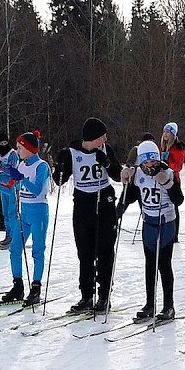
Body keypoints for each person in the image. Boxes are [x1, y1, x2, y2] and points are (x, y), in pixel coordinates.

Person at [54, 117, 123, 314]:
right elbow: (59, 180)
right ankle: (86, 295)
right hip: (83, 204)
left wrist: (107, 163)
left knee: (105, 251)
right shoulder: (72, 152)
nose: (105, 140)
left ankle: (104, 296)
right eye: (102, 137)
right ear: (93, 138)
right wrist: (60, 166)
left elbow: (117, 175)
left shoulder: (105, 150)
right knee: (85, 252)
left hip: (104, 203)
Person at [118, 140, 184, 321]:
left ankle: (169, 306)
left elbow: (179, 200)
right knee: (149, 265)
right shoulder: (138, 174)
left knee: (164, 264)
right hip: (149, 224)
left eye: (153, 162)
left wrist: (169, 184)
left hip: (166, 224)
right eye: (146, 162)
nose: (150, 166)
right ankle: (150, 304)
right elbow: (129, 197)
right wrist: (124, 188)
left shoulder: (167, 172)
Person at [0, 131, 51, 306]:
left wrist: (22, 178)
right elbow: (10, 189)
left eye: (20, 147)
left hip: (38, 212)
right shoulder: (21, 165)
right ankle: (18, 285)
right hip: (25, 213)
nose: (18, 150)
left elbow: (37, 189)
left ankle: (36, 288)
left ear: (29, 148)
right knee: (14, 249)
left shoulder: (41, 166)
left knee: (37, 250)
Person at [160, 122, 185, 241]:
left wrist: (167, 163)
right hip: (161, 178)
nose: (165, 134)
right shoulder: (162, 145)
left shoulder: (178, 147)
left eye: (168, 132)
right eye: (164, 131)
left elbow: (178, 166)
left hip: (173, 179)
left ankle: (174, 233)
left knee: (174, 206)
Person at [0, 132, 19, 249]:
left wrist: (1, 165)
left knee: (12, 212)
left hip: (11, 186)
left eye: (5, 143)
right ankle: (8, 234)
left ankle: (13, 236)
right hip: (2, 186)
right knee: (5, 212)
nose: (4, 145)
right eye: (1, 143)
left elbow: (12, 169)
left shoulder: (12, 154)